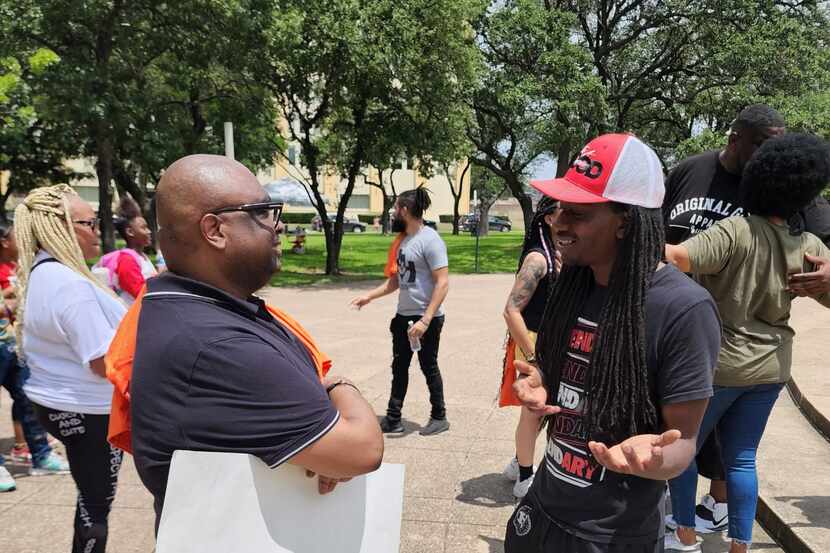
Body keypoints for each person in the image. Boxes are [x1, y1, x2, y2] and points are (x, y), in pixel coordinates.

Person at [127, 154, 383, 531]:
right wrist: (340, 386)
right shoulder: (216, 343)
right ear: (214, 230)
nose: (276, 225)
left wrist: (321, 449)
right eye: (263, 212)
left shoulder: (196, 307)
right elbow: (362, 449)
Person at [508, 133, 721, 553]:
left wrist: (657, 458)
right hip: (541, 511)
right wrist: (541, 381)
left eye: (578, 212)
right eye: (557, 209)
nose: (558, 223)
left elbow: (684, 441)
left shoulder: (683, 309)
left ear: (626, 220)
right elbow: (559, 369)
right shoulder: (573, 284)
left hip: (611, 535)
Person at [662, 103, 830, 532]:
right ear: (735, 138)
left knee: (682, 445)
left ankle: (681, 532)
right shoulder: (805, 241)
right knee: (742, 456)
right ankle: (738, 542)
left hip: (716, 355)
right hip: (771, 364)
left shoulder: (736, 231)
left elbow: (678, 255)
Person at [14, 185, 126, 553]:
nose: (96, 230)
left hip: (59, 403)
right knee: (96, 508)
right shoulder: (70, 286)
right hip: (90, 410)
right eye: (89, 222)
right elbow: (102, 362)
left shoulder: (44, 273)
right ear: (62, 227)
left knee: (90, 500)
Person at [350, 188, 451, 436]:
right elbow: (396, 281)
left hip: (427, 318)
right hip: (403, 317)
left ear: (405, 210)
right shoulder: (404, 241)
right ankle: (393, 418)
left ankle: (439, 417)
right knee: (399, 367)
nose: (394, 212)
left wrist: (426, 320)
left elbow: (443, 282)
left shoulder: (431, 240)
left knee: (429, 367)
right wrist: (369, 296)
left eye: (396, 208)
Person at [0, 221, 69, 492]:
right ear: (5, 241)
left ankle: (41, 455)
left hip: (13, 345)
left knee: (27, 399)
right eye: (18, 236)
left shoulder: (17, 267)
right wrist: (13, 300)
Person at [499, 196, 559, 498]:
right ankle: (524, 475)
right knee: (534, 411)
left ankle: (517, 460)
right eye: (565, 211)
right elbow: (511, 311)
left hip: (554, 341)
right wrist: (534, 357)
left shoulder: (563, 252)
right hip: (533, 342)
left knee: (545, 411)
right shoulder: (538, 259)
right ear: (548, 218)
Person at [94, 196, 156, 304]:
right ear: (130, 232)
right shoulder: (127, 260)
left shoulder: (142, 257)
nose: (149, 231)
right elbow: (140, 293)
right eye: (144, 228)